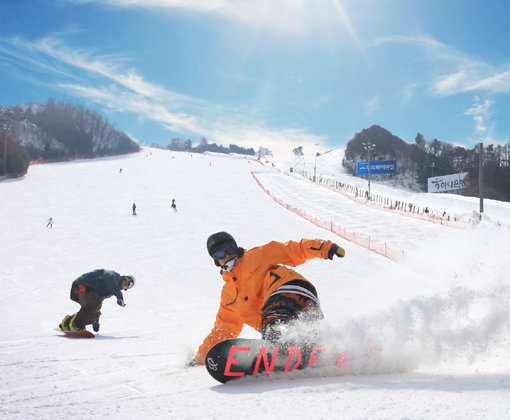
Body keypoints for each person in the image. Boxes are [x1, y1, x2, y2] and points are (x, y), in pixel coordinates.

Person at [189, 232, 345, 365]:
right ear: (216, 261)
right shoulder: (228, 296)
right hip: (305, 303)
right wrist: (201, 357)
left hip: (288, 288)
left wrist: (324, 248)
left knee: (273, 325)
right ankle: (327, 349)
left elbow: (293, 250)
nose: (227, 255)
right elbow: (224, 328)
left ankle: (277, 336)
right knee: (307, 334)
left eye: (230, 249)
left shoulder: (256, 256)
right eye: (220, 253)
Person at [59, 269, 135, 332]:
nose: (128, 286)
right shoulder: (113, 275)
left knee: (95, 311)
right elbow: (109, 278)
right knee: (94, 305)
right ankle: (76, 324)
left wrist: (95, 320)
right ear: (125, 278)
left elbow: (98, 302)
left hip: (81, 291)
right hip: (83, 286)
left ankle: (67, 323)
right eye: (129, 282)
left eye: (130, 286)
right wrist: (119, 296)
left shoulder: (111, 291)